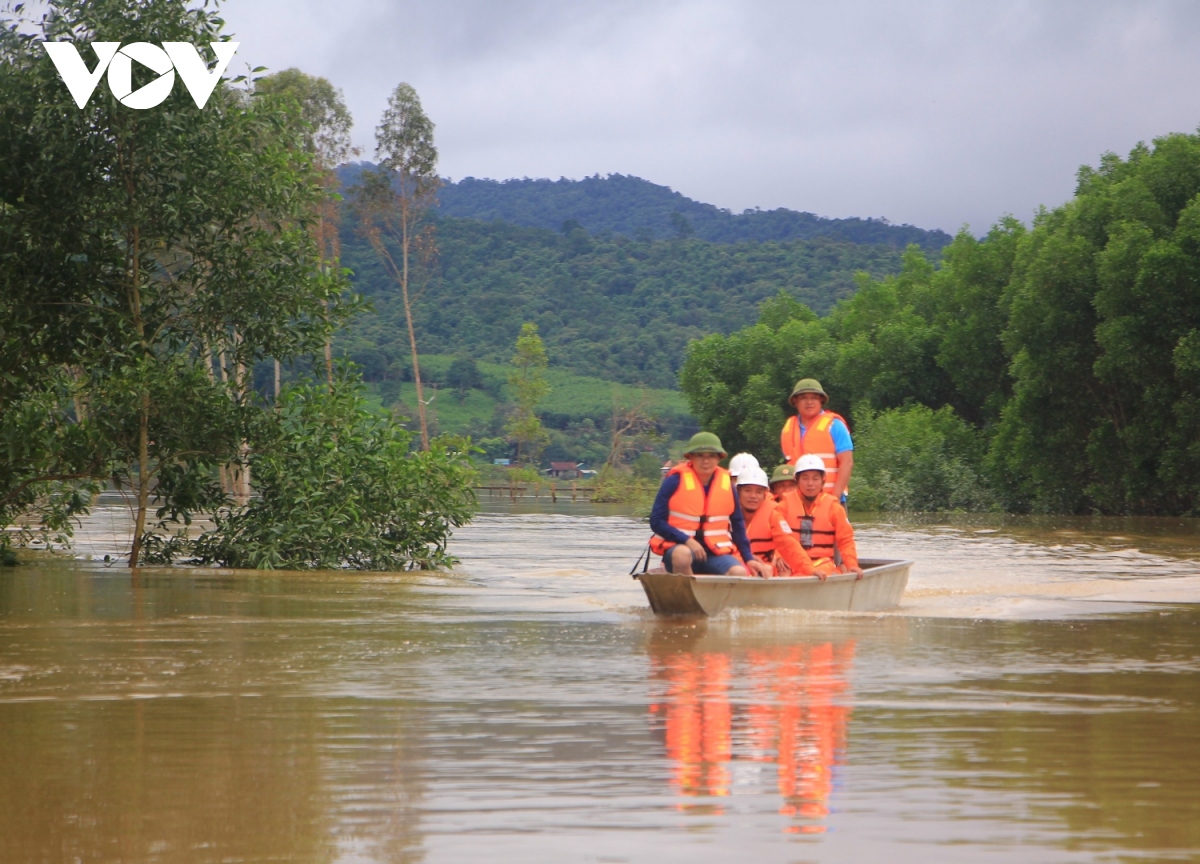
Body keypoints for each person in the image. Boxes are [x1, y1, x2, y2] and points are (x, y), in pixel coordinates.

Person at [649, 433, 768, 577]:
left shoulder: (727, 485)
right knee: (682, 555)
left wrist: (748, 558)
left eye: (711, 456)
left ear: (719, 458)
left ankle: (719, 598)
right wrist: (687, 541)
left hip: (714, 553)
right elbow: (656, 521)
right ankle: (688, 596)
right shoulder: (674, 481)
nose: (706, 461)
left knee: (739, 572)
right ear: (691, 457)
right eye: (700, 455)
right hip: (681, 549)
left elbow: (737, 525)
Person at [778, 455, 863, 580]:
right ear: (797, 480)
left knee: (825, 572)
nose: (810, 484)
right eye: (805, 478)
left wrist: (852, 564)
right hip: (790, 562)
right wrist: (777, 556)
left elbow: (845, 540)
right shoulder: (783, 506)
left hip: (821, 563)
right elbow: (774, 536)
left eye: (815, 478)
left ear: (823, 480)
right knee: (777, 570)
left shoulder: (834, 508)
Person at [780, 378, 853, 502]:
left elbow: (847, 463)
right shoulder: (788, 429)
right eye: (803, 398)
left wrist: (834, 497)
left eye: (814, 398)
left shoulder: (835, 425)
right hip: (797, 502)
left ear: (821, 401)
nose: (809, 402)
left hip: (830, 499)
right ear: (795, 402)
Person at [737, 466, 814, 577]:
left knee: (769, 569)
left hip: (764, 565)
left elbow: (789, 544)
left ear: (766, 493)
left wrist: (809, 569)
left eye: (758, 492)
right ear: (738, 491)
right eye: (747, 490)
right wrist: (745, 558)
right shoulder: (727, 513)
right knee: (737, 570)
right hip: (736, 564)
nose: (753, 496)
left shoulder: (773, 514)